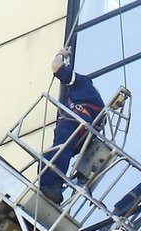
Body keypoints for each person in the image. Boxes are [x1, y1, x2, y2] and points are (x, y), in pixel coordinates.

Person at [39, 48, 105, 204]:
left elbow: (56, 66)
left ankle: (49, 185)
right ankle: (54, 185)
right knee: (62, 152)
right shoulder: (95, 99)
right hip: (83, 130)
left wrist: (61, 54)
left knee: (55, 153)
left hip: (74, 122)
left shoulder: (80, 83)